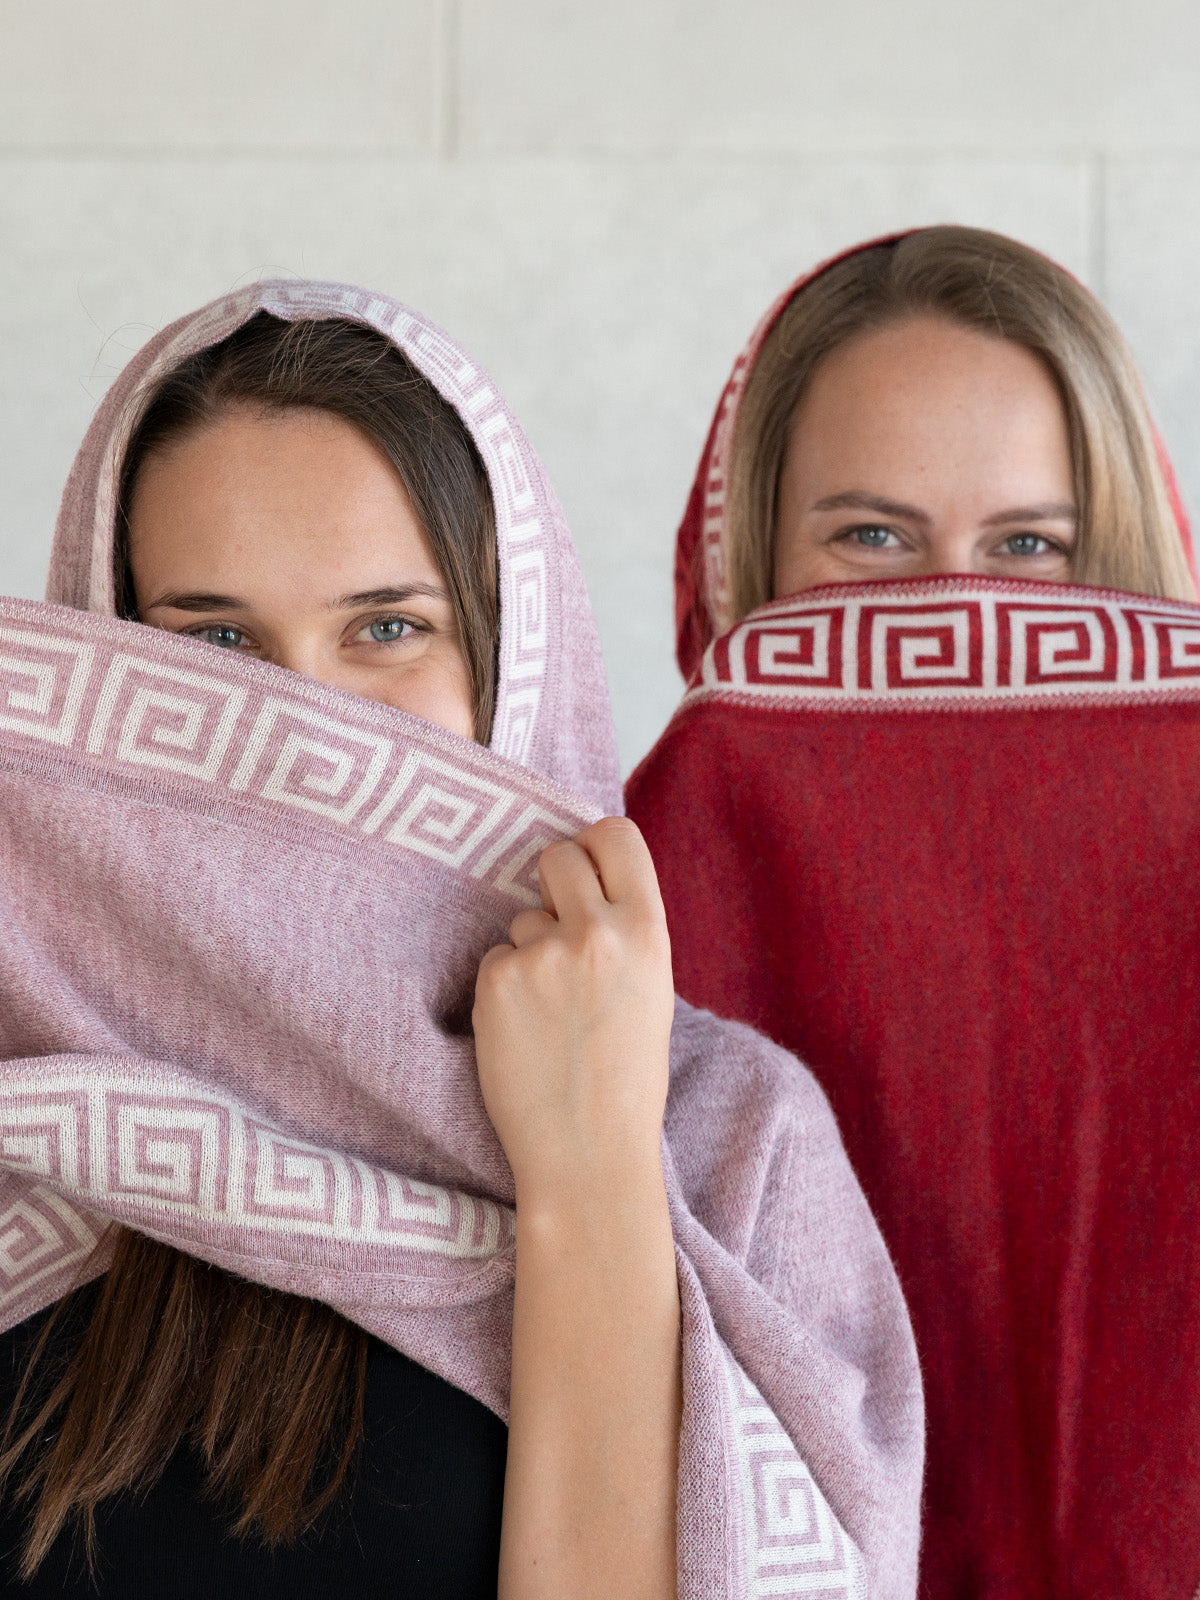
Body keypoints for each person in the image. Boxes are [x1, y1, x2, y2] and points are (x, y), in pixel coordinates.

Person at [0, 283, 922, 1598]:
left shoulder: (726, 1141)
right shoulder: (26, 1108)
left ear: (511, 666)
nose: (302, 726)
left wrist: (593, 1161)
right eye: (214, 641)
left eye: (388, 629)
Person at [626, 226, 1200, 1600]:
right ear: (751, 553)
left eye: (1030, 545)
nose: (955, 595)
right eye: (871, 538)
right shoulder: (642, 857)